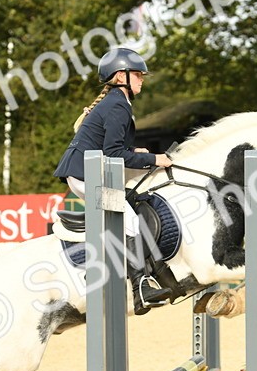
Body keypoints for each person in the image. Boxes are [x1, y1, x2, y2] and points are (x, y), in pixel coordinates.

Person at [54, 46, 173, 314]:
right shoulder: (118, 104)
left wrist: (137, 153)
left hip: (85, 172)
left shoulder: (116, 102)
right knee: (130, 221)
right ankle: (140, 288)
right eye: (138, 74)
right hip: (87, 175)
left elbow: (113, 148)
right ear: (121, 77)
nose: (142, 79)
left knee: (128, 210)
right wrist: (155, 159)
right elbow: (112, 154)